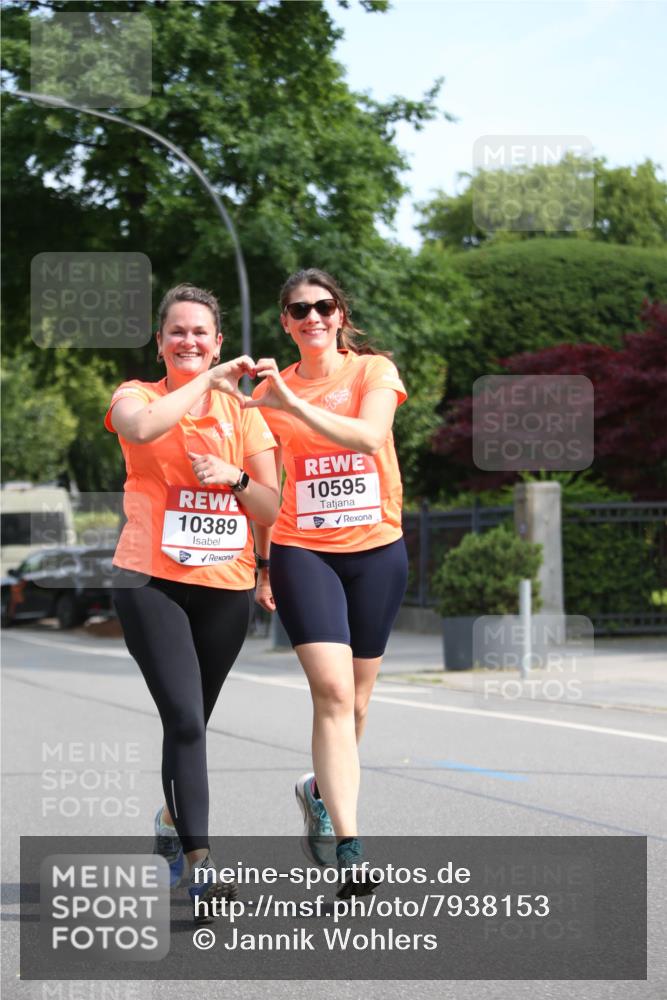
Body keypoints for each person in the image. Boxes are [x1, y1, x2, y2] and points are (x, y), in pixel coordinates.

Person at [105, 284, 279, 922]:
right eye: (176, 332)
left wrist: (234, 479)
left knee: (194, 724)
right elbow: (141, 428)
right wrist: (205, 383)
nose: (188, 341)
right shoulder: (139, 394)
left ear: (218, 340)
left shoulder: (245, 415)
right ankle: (202, 866)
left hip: (225, 586)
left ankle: (171, 816)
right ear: (161, 342)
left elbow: (270, 504)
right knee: (183, 718)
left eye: (200, 333)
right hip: (148, 577)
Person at [249, 268, 408, 898]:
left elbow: (370, 438)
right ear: (285, 323)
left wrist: (293, 405)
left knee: (359, 703)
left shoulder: (373, 372)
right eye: (298, 310)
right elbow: (266, 478)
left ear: (339, 315)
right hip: (302, 551)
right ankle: (351, 845)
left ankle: (317, 790)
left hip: (376, 551)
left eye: (322, 306)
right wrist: (263, 563)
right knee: (334, 694)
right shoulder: (268, 390)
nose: (312, 317)